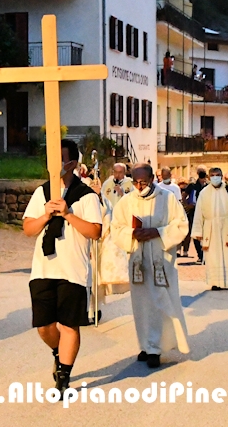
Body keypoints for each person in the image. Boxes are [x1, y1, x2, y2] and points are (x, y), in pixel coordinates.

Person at [22, 139, 103, 398]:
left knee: (69, 324)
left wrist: (68, 214)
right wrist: (46, 215)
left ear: (72, 163)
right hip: (44, 268)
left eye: (61, 158)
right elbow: (28, 229)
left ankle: (64, 378)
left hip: (73, 270)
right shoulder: (42, 193)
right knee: (44, 326)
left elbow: (95, 231)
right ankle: (58, 353)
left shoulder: (86, 195)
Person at [111, 164, 190, 368]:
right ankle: (146, 345)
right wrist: (132, 234)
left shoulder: (167, 198)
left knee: (160, 302)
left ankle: (157, 347)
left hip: (160, 259)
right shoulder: (127, 201)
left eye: (143, 182)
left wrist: (158, 232)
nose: (139, 186)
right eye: (136, 182)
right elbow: (116, 227)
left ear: (152, 179)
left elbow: (180, 224)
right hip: (138, 259)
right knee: (141, 304)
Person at [191, 167, 228, 290]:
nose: (215, 177)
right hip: (209, 229)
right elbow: (199, 212)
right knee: (212, 256)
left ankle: (225, 281)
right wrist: (198, 231)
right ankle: (214, 282)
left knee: (227, 254)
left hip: (227, 227)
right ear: (209, 177)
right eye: (213, 175)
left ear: (221, 176)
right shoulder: (204, 193)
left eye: (218, 175)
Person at [184, 166, 209, 263]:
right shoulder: (193, 185)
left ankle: (206, 254)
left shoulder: (208, 185)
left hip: (206, 212)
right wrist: (187, 204)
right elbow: (184, 195)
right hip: (194, 212)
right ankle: (200, 255)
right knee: (196, 233)